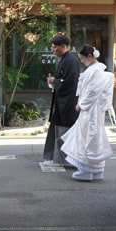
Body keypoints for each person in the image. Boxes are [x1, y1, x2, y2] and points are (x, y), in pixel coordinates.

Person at [60, 45, 114, 181]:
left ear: (90, 56)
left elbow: (93, 91)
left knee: (87, 136)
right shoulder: (95, 70)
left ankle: (87, 169)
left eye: (83, 59)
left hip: (91, 110)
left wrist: (81, 104)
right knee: (91, 136)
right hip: (92, 110)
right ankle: (96, 169)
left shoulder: (96, 71)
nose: (82, 62)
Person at [42, 34, 80, 164]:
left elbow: (70, 83)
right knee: (59, 130)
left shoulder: (70, 61)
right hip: (63, 101)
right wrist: (56, 81)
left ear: (63, 46)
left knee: (64, 131)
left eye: (54, 48)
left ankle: (62, 158)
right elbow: (65, 81)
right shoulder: (66, 59)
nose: (53, 50)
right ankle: (56, 157)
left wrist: (55, 81)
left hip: (68, 103)